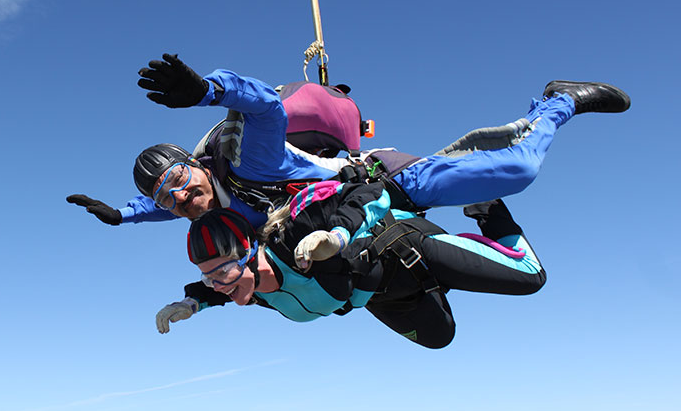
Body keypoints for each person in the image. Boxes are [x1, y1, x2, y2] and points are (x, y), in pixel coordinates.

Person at [68, 54, 630, 228]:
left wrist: (207, 90)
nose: (184, 203)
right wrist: (123, 214)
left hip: (386, 181)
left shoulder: (247, 159)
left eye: (183, 187)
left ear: (198, 165)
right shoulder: (203, 198)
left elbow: (263, 104)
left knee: (518, 172)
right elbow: (171, 203)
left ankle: (559, 101)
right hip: (350, 219)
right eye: (172, 202)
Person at [155, 180, 546, 349]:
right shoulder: (248, 287)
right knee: (440, 338)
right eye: (209, 276)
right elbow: (218, 290)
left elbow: (370, 192)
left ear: (248, 255)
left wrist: (338, 236)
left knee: (531, 278)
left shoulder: (297, 235)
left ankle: (487, 206)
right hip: (384, 297)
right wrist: (191, 303)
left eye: (223, 272)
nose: (220, 285)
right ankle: (439, 289)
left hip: (407, 252)